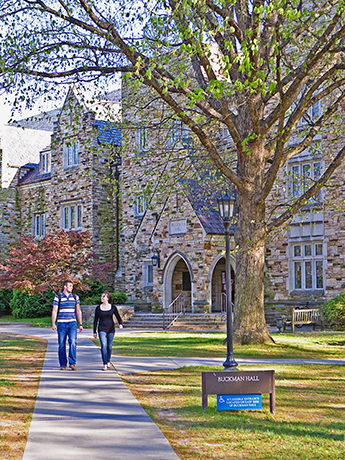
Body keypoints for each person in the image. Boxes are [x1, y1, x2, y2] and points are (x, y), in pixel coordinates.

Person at [52, 280, 83, 371]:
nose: (71, 287)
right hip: (61, 323)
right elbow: (54, 311)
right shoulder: (58, 298)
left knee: (73, 342)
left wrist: (80, 324)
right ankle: (63, 364)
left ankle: (72, 363)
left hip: (72, 323)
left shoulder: (75, 297)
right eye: (70, 286)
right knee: (61, 344)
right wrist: (54, 323)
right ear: (65, 286)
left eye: (72, 286)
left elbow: (78, 310)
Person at [93, 292, 123, 370]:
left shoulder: (113, 307)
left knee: (109, 346)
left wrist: (120, 324)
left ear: (108, 298)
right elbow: (95, 320)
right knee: (103, 345)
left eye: (104, 296)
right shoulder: (98, 308)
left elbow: (118, 316)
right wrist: (94, 331)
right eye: (101, 296)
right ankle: (105, 363)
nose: (102, 298)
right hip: (101, 329)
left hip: (111, 329)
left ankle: (108, 360)